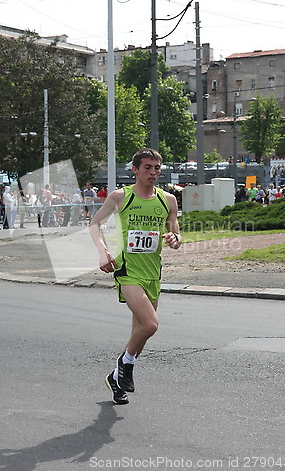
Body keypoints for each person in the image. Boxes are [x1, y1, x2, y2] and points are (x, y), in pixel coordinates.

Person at [89, 148, 181, 405]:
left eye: (157, 168)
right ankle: (125, 364)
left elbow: (175, 233)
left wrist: (175, 239)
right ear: (135, 170)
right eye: (147, 168)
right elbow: (94, 224)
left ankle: (115, 379)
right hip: (128, 270)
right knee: (150, 325)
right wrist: (103, 252)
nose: (153, 173)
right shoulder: (121, 197)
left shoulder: (168, 200)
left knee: (140, 331)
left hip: (153, 271)